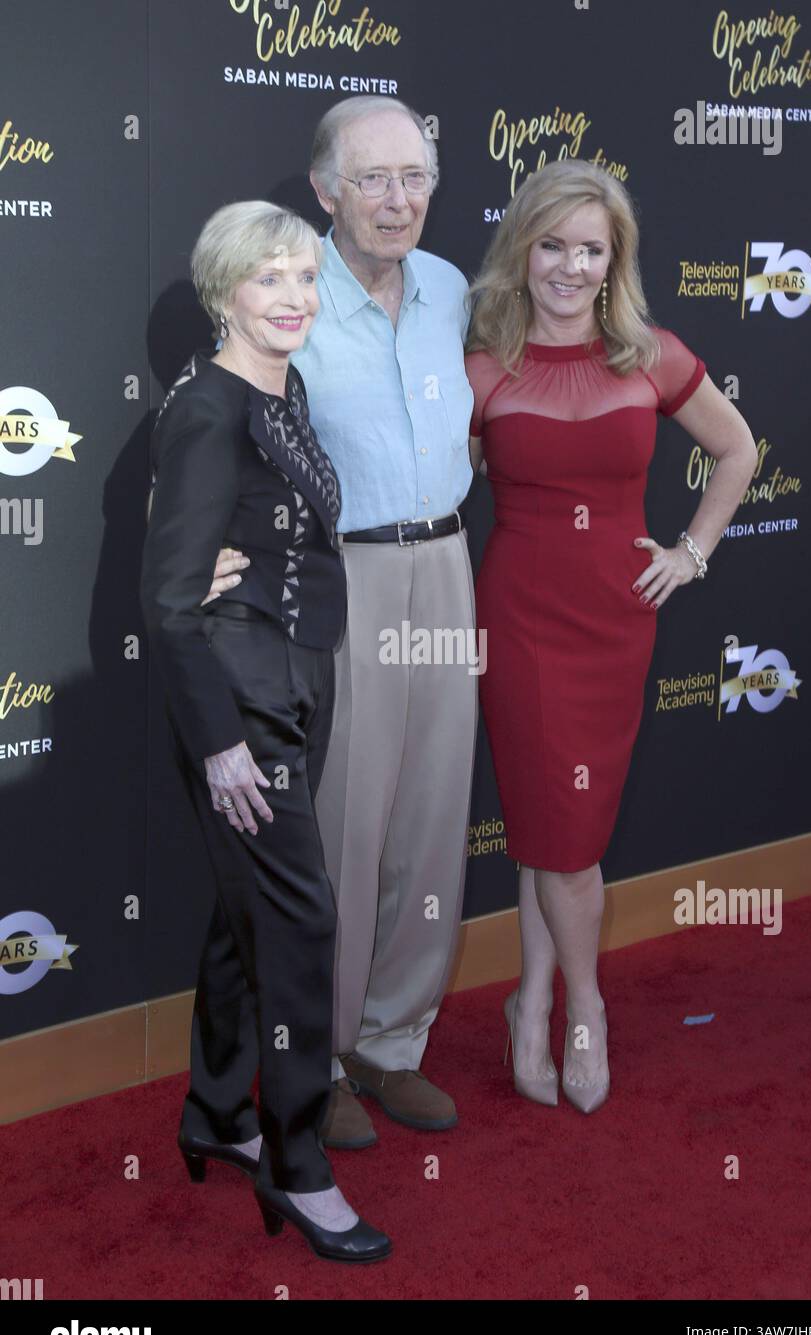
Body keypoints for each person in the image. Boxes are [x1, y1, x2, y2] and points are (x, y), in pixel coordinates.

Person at [207, 97, 478, 1149]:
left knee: (429, 820)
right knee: (342, 827)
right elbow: (219, 439)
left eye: (412, 176)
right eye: (370, 178)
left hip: (446, 566)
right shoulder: (290, 297)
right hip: (339, 582)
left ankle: (392, 1042)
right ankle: (314, 1059)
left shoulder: (453, 289)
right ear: (323, 191)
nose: (395, 199)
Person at [464, 159, 758, 1112]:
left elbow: (738, 450)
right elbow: (437, 480)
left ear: (613, 260)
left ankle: (537, 994)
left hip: (616, 621)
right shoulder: (483, 362)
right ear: (524, 248)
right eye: (552, 244)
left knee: (560, 832)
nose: (570, 266)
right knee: (563, 832)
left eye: (591, 249)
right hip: (520, 616)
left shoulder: (649, 354)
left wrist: (692, 553)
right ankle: (583, 1006)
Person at [140, 199, 390, 1261]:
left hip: (296, 682)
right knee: (299, 924)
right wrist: (220, 742)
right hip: (240, 704)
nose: (292, 297)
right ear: (222, 293)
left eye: (302, 277)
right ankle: (297, 1162)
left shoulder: (275, 390)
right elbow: (166, 601)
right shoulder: (208, 410)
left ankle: (215, 1109)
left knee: (249, 911)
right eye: (267, 278)